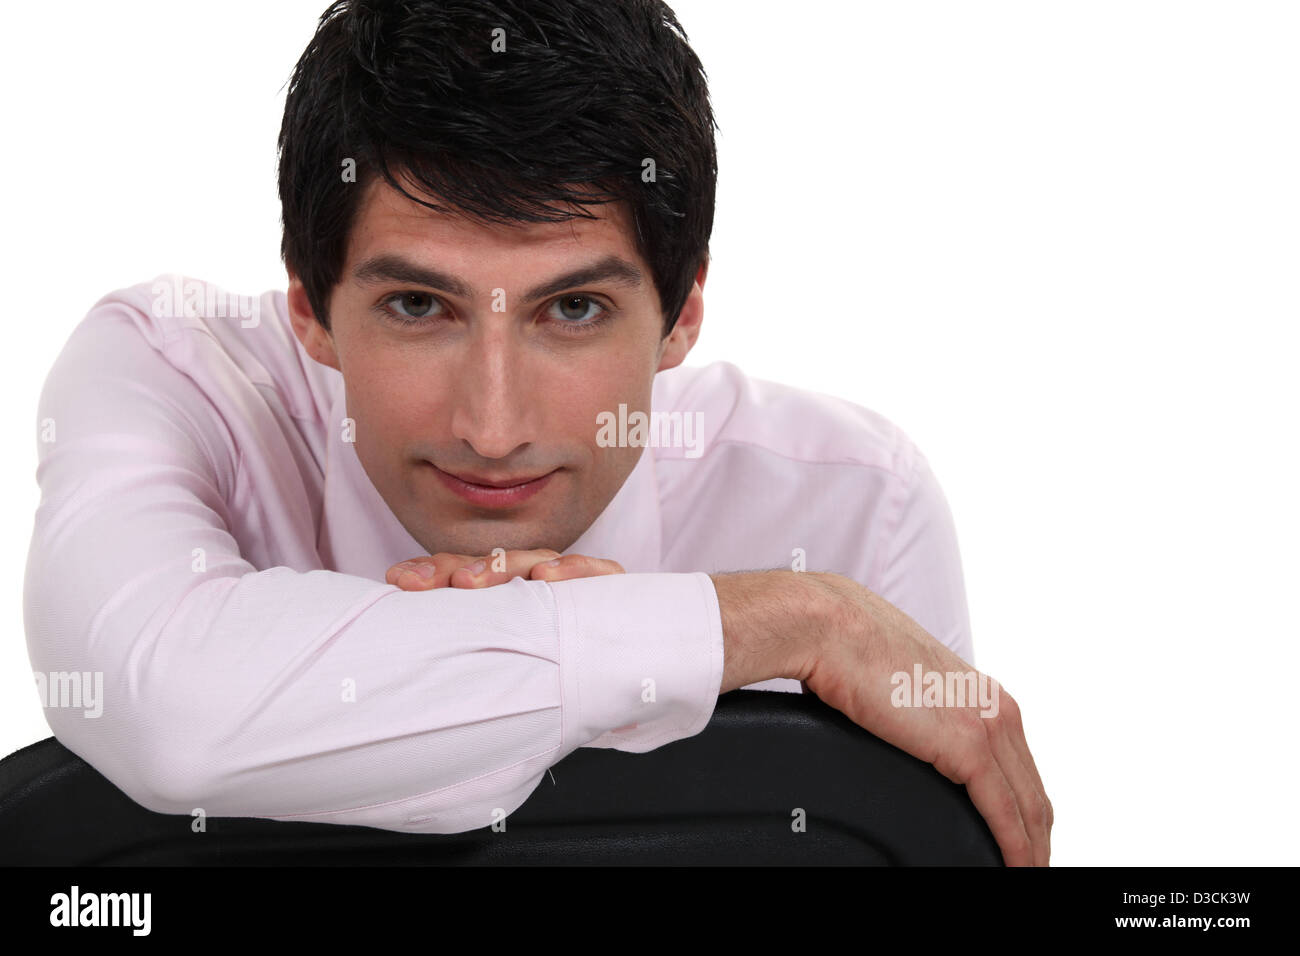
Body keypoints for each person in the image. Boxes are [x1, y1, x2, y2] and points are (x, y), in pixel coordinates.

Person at [23, 0, 1051, 864]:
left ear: (683, 310)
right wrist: (778, 623)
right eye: (420, 307)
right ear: (309, 306)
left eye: (573, 310)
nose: (494, 426)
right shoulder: (172, 371)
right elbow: (173, 711)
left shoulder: (852, 503)